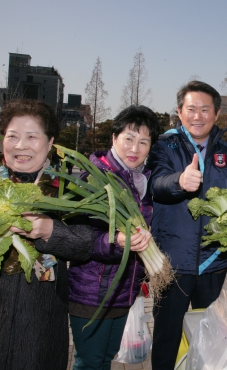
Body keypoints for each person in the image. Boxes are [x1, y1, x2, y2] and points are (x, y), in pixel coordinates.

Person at [0, 99, 94, 370]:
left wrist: (52, 230)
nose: (20, 145)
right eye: (12, 136)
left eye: (32, 136)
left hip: (38, 320)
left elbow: (87, 242)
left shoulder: (68, 190)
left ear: (50, 142)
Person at [148, 81, 227, 370]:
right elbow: (155, 185)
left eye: (205, 109)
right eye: (191, 109)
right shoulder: (164, 146)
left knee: (213, 340)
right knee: (166, 339)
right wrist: (179, 181)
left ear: (216, 114)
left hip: (213, 264)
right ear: (179, 112)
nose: (198, 116)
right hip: (171, 265)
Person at [68, 105, 160, 369]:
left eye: (143, 142)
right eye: (129, 139)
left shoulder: (143, 182)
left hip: (124, 291)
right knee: (89, 362)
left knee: (105, 359)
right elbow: (78, 236)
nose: (135, 148)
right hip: (92, 292)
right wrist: (117, 240)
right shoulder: (92, 178)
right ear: (114, 138)